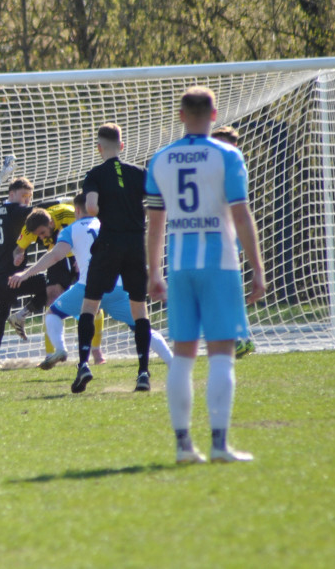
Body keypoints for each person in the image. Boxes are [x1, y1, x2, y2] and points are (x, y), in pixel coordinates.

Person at [147, 86, 266, 464]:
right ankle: (219, 444)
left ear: (181, 116)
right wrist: (257, 268)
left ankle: (183, 446)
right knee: (221, 355)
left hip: (180, 267)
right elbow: (241, 215)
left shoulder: (161, 159)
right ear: (215, 115)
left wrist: (154, 272)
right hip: (221, 264)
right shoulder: (227, 155)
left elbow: (155, 224)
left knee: (183, 356)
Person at [10, 194, 173, 371]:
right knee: (142, 327)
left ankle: (60, 350)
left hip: (89, 289)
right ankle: (173, 362)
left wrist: (25, 274)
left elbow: (55, 255)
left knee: (53, 314)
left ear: (77, 210)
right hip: (117, 287)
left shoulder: (70, 230)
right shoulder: (109, 225)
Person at [75, 123, 152, 393]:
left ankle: (83, 364)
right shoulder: (139, 173)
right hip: (136, 245)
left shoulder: (95, 174)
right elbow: (157, 201)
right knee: (139, 308)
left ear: (99, 148)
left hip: (108, 244)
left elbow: (92, 207)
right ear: (122, 146)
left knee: (90, 304)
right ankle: (143, 372)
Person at [9, 203, 107, 365]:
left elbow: (93, 233)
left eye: (42, 233)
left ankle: (96, 350)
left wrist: (85, 256)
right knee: (52, 298)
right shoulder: (29, 229)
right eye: (38, 236)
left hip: (79, 255)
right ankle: (51, 354)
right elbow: (18, 249)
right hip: (56, 256)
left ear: (51, 223)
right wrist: (17, 256)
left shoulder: (69, 214)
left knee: (93, 300)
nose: (41, 238)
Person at [0, 157, 45, 370]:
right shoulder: (16, 211)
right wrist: (66, 202)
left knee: (1, 313)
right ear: (12, 194)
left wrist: (0, 176)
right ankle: (21, 316)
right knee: (48, 284)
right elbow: (40, 211)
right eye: (23, 196)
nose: (26, 200)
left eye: (29, 197)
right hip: (13, 275)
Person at [211, 125, 254, 359]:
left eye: (222, 143)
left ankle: (237, 338)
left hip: (227, 233)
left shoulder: (233, 167)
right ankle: (243, 337)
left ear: (234, 145)